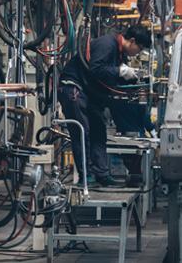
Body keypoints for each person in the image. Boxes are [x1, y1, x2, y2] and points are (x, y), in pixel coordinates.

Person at [59, 25, 152, 186]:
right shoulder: (107, 44)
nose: (138, 53)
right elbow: (96, 69)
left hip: (88, 92)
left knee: (98, 131)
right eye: (140, 48)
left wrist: (132, 77)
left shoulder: (118, 53)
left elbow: (108, 76)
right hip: (74, 88)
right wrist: (120, 71)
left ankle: (101, 174)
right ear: (132, 41)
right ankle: (86, 176)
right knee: (82, 132)